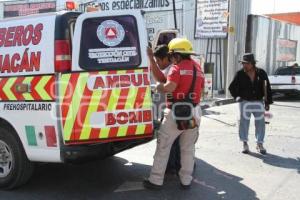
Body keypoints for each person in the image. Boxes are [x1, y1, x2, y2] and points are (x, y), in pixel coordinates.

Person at [144, 38, 204, 190]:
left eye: (171, 56)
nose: (171, 59)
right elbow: (201, 90)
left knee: (163, 146)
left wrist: (159, 87)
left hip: (175, 113)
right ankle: (186, 181)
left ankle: (155, 180)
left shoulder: (176, 68)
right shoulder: (198, 68)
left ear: (176, 55)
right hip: (194, 112)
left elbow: (169, 87)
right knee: (188, 148)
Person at [229, 53, 273, 155]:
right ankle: (245, 143)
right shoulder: (239, 74)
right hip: (244, 102)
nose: (244, 65)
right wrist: (237, 97)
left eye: (246, 63)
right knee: (244, 122)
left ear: (252, 63)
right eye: (243, 63)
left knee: (260, 123)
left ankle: (260, 144)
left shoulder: (261, 73)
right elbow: (231, 88)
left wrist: (267, 102)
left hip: (258, 101)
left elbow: (267, 88)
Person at [147, 45, 181, 175]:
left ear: (167, 58)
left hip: (172, 110)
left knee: (168, 140)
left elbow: (161, 80)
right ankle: (176, 164)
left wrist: (150, 58)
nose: (157, 64)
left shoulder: (172, 69)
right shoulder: (173, 67)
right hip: (172, 109)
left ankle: (171, 167)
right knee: (176, 140)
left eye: (158, 61)